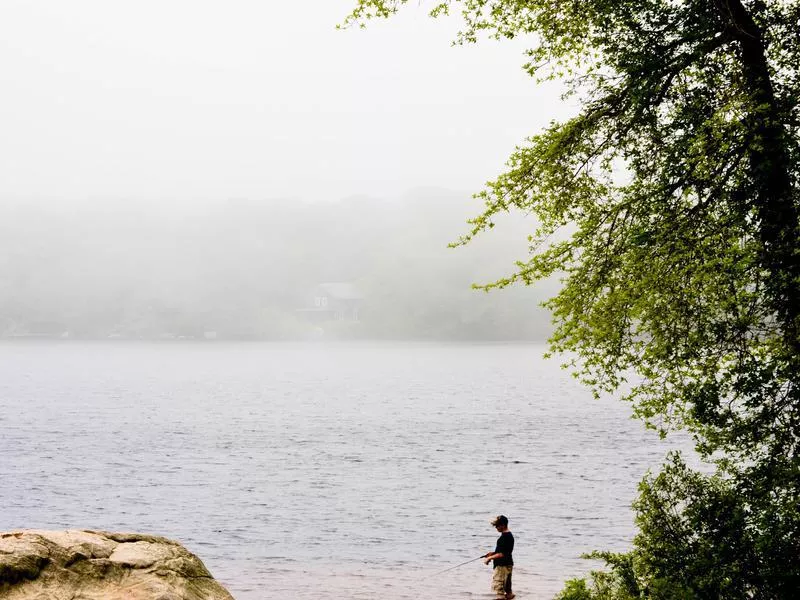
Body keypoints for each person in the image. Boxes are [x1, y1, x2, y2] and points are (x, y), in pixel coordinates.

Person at [484, 515, 514, 600]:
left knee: (499, 589)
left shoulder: (505, 537)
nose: (496, 527)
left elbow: (502, 554)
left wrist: (489, 558)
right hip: (508, 564)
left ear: (503, 525)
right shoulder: (508, 535)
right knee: (508, 591)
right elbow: (505, 551)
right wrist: (492, 553)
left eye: (497, 526)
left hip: (502, 566)